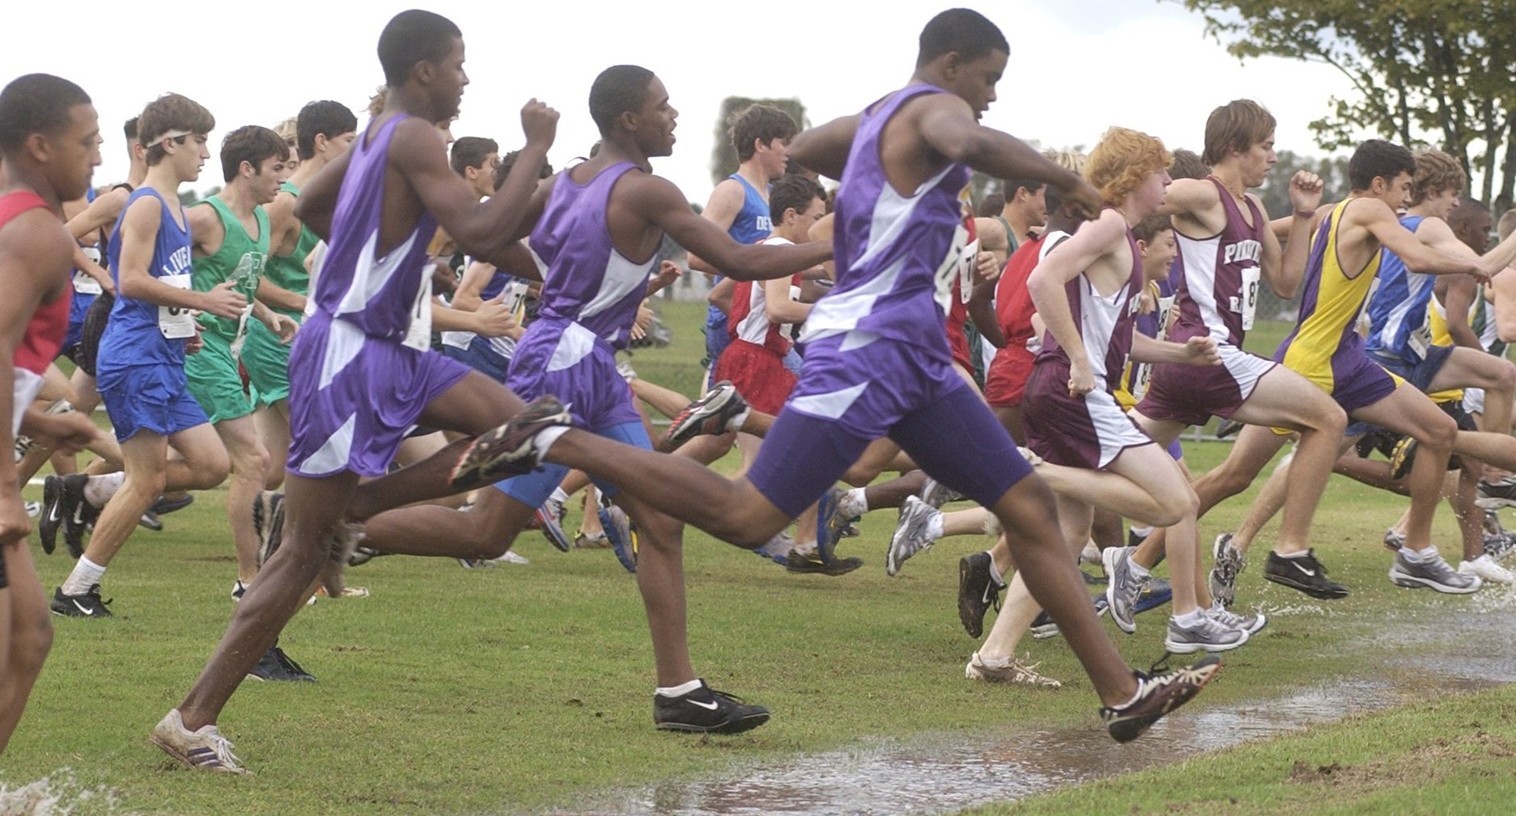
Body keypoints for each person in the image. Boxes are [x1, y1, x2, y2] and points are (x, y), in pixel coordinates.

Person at [455, 9, 1221, 743]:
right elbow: (970, 135)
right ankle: (559, 440)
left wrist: (872, 160)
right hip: (867, 345)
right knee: (751, 516)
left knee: (1026, 504)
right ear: (949, 66)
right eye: (987, 77)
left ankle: (1123, 696)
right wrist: (1066, 179)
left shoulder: (889, 116)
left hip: (919, 355)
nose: (992, 94)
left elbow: (821, 143)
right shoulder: (930, 109)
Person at [155, 9, 565, 774]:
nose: (467, 79)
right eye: (459, 63)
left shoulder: (380, 133)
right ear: (422, 72)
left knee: (530, 431)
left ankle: (359, 511)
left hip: (395, 349)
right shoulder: (409, 134)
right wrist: (536, 150)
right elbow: (478, 231)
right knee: (303, 554)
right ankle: (191, 719)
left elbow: (306, 207)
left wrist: (404, 250)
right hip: (351, 353)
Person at [50, 93, 241, 618]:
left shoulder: (175, 204)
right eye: (199, 140)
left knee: (211, 464)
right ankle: (75, 590)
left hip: (162, 352)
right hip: (135, 357)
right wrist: (203, 301)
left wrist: (185, 325)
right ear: (169, 143)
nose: (205, 152)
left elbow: (161, 282)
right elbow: (132, 281)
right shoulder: (148, 203)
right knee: (148, 480)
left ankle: (85, 491)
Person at [0, 72, 103, 754]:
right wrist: (7, 489)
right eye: (86, 141)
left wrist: (34, 423)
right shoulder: (35, 232)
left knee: (29, 638)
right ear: (40, 145)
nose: (95, 156)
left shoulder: (27, 224)